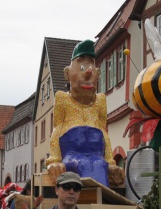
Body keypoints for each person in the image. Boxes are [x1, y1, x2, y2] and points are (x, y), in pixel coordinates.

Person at [46, 39, 124, 187]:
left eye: (91, 68)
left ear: (98, 74)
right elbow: (57, 129)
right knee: (82, 164)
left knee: (100, 164)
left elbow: (103, 132)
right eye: (81, 67)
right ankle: (91, 200)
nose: (88, 72)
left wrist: (110, 162)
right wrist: (54, 160)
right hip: (72, 154)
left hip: (96, 153)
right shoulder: (63, 99)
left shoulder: (100, 101)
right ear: (67, 74)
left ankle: (98, 201)